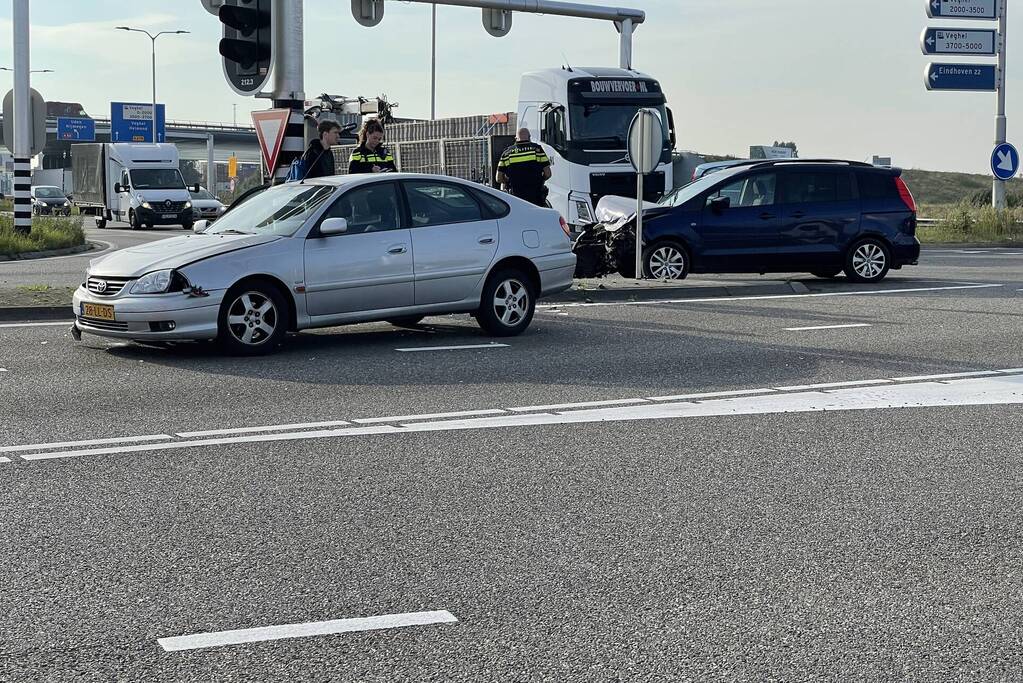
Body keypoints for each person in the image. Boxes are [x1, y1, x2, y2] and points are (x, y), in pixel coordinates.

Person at [495, 128, 552, 207]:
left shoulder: (507, 153)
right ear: (529, 137)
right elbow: (548, 174)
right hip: (536, 197)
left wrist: (508, 181)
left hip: (516, 197)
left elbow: (498, 178)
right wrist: (539, 180)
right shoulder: (537, 150)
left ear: (516, 139)